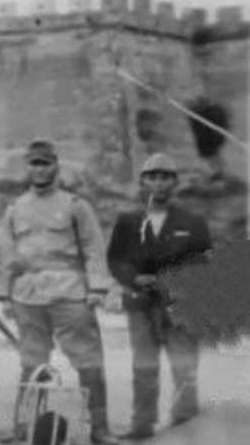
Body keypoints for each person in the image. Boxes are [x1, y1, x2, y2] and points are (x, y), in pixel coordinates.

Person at [0, 140, 119, 445]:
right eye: (34, 164)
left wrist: (97, 288)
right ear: (27, 167)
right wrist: (4, 294)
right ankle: (24, 427)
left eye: (45, 163)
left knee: (87, 361)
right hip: (28, 295)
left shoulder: (75, 205)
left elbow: (93, 247)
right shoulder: (15, 209)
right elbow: (7, 253)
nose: (39, 169)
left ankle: (99, 429)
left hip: (70, 293)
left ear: (56, 166)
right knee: (32, 363)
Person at [106, 153, 211, 440]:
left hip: (179, 305)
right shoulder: (128, 221)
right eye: (152, 176)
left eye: (165, 176)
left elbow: (203, 262)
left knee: (184, 366)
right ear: (142, 181)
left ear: (175, 181)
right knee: (143, 367)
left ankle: (186, 423)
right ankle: (142, 424)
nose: (159, 183)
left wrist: (170, 281)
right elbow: (115, 259)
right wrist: (132, 278)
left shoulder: (192, 222)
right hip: (140, 304)